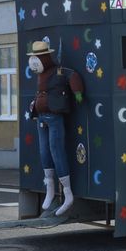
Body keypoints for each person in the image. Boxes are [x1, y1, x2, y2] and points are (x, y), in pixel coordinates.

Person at [29, 39, 85, 215]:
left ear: (45, 57)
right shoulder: (41, 74)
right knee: (44, 151)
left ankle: (67, 193)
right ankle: (50, 189)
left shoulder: (59, 71)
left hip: (54, 117)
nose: (34, 60)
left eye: (38, 56)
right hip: (41, 119)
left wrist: (77, 92)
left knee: (56, 151)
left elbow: (73, 76)